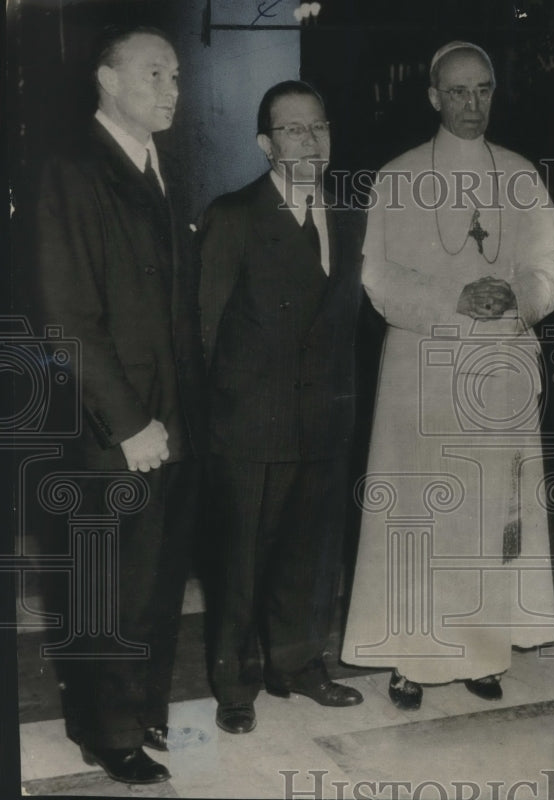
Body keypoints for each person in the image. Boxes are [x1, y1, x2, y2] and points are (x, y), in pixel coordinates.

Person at [340, 41, 554, 710]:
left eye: (484, 90)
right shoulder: (398, 175)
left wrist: (519, 294)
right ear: (434, 97)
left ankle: (482, 653)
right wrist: (454, 300)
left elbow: (550, 269)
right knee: (419, 514)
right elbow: (377, 279)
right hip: (422, 368)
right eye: (458, 91)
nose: (473, 104)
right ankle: (410, 658)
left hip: (498, 366)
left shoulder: (522, 175)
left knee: (486, 512)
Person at [34, 26, 205, 784]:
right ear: (107, 80)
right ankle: (109, 734)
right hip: (116, 428)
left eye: (176, 74)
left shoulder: (160, 168)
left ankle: (142, 711)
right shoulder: (71, 172)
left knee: (156, 580)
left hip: (167, 422)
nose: (172, 87)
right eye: (154, 72)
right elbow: (67, 319)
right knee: (109, 585)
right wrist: (131, 422)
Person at [198, 80, 365, 735]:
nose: (310, 139)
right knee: (240, 564)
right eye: (293, 129)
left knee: (311, 556)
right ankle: (235, 683)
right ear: (266, 144)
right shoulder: (234, 215)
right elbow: (204, 330)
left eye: (319, 125)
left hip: (324, 423)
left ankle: (296, 665)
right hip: (248, 427)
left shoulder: (349, 213)